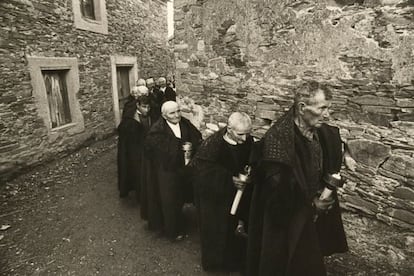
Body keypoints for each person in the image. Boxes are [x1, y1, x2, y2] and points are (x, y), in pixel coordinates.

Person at [246, 81, 349, 276]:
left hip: (311, 212)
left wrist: (347, 153)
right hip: (286, 217)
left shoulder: (319, 130)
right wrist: (311, 207)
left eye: (329, 108)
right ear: (302, 108)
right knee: (288, 262)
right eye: (322, 109)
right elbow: (276, 196)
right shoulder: (278, 142)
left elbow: (334, 139)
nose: (327, 114)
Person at [191, 112, 257, 273]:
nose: (244, 139)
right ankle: (216, 264)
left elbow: (252, 158)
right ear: (229, 129)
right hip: (214, 200)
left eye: (247, 133)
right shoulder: (213, 145)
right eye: (240, 134)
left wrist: (251, 170)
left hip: (237, 195)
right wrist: (229, 179)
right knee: (216, 231)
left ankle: (234, 259)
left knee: (233, 229)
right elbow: (202, 172)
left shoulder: (247, 140)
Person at [145, 101, 202, 240]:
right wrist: (180, 146)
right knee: (170, 200)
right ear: (164, 115)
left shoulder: (185, 123)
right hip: (167, 171)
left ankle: (186, 220)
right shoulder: (157, 130)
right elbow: (159, 151)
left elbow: (196, 136)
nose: (177, 115)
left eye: (178, 111)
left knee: (183, 194)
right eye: (172, 113)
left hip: (184, 168)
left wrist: (192, 145)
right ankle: (173, 230)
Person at [117, 95, 152, 200]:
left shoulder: (152, 116)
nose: (147, 110)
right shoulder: (130, 118)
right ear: (138, 105)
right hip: (136, 150)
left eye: (148, 107)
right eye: (144, 107)